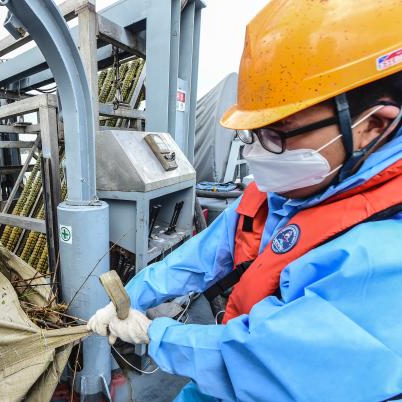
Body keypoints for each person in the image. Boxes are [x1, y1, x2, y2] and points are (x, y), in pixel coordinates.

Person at [88, 1, 402, 401]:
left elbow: (266, 364)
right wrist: (133, 294)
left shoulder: (387, 254)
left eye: (277, 134)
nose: (257, 154)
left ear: (372, 125)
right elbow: (202, 256)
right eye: (253, 134)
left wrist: (154, 333)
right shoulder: (283, 193)